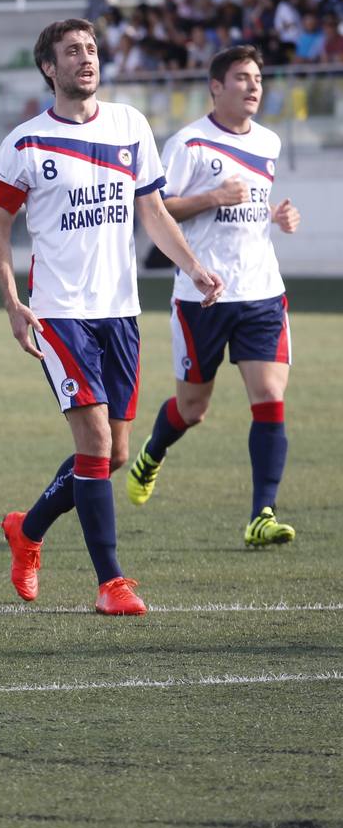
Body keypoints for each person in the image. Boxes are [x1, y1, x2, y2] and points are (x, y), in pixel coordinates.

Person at [0, 19, 223, 616]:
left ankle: (28, 528)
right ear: (50, 68)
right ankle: (111, 583)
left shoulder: (129, 125)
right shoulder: (25, 143)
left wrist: (192, 266)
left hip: (120, 311)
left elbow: (154, 212)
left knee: (115, 454)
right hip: (59, 312)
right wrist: (15, 304)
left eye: (91, 49)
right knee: (92, 441)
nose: (86, 59)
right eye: (73, 52)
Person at [126, 46, 301, 547]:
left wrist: (279, 217)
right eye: (242, 78)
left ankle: (261, 514)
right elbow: (158, 210)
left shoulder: (269, 142)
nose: (253, 86)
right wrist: (211, 197)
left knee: (269, 397)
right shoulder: (188, 144)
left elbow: (253, 207)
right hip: (202, 296)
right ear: (216, 87)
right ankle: (152, 454)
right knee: (193, 408)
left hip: (262, 293)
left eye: (258, 78)